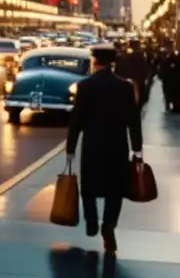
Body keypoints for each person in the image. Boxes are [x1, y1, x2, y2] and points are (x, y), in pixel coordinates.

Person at [66, 43, 143, 257]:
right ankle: (108, 226)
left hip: (92, 144)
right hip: (117, 145)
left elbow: (76, 121)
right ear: (112, 63)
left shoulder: (85, 86)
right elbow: (133, 120)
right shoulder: (125, 87)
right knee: (115, 190)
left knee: (88, 186)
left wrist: (70, 148)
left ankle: (91, 221)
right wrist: (137, 147)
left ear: (94, 61)